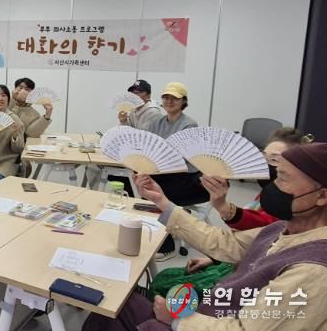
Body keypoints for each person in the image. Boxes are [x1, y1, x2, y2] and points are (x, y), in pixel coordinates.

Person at [83, 142, 327, 331]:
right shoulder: (285, 228)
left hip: (207, 322)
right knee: (116, 303)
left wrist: (178, 319)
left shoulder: (314, 269)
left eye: (283, 178)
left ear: (322, 196)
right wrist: (162, 201)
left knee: (115, 308)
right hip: (212, 311)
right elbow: (223, 243)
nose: (273, 186)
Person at [149, 127, 314, 298]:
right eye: (263, 157)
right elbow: (241, 243)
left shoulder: (294, 215)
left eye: (274, 160)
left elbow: (260, 232)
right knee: (166, 277)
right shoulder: (269, 195)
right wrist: (214, 259)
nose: (265, 165)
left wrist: (223, 207)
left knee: (169, 288)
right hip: (239, 259)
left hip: (253, 277)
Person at [144, 82, 208, 261]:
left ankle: (167, 246)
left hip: (186, 176)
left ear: (183, 101)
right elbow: (149, 145)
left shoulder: (189, 124)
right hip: (162, 172)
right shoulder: (156, 122)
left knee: (157, 194)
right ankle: (155, 232)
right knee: (143, 183)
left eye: (174, 98)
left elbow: (183, 157)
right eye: (166, 97)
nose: (169, 101)